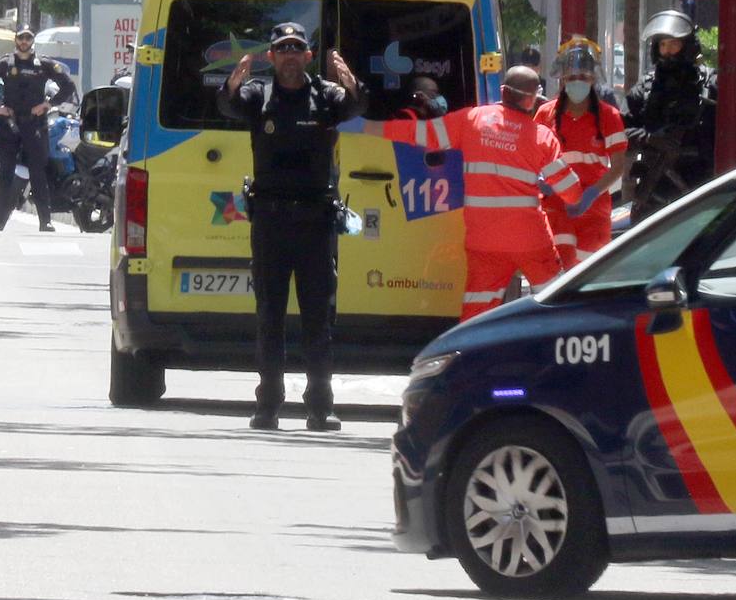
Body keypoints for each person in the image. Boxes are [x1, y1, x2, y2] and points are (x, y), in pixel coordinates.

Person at [219, 22, 364, 431]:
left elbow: (354, 107)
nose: (289, 55)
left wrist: (351, 82)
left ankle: (320, 405)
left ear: (307, 56)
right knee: (270, 314)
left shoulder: (325, 95)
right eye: (282, 48)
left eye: (296, 48)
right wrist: (232, 85)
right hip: (270, 221)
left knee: (318, 317)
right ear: (272, 56)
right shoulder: (259, 94)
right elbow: (230, 106)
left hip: (315, 223)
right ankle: (268, 403)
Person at [362, 66, 582, 321]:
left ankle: (468, 355)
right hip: (529, 239)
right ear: (532, 99)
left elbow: (419, 133)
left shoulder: (472, 119)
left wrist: (366, 127)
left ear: (503, 91)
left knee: (478, 308)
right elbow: (571, 194)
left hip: (483, 239)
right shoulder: (542, 136)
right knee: (553, 301)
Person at [536, 41, 628, 269]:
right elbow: (531, 157)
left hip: (594, 210)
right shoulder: (545, 114)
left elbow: (618, 166)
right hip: (556, 206)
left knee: (589, 274)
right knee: (557, 273)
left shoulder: (609, 116)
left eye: (583, 77)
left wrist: (591, 193)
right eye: (571, 77)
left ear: (593, 80)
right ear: (562, 79)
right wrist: (539, 181)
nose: (577, 82)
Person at [0, 26, 78, 232]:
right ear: (15, 40)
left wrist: (48, 104)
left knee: (38, 173)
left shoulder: (43, 64)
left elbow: (68, 86)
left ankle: (45, 221)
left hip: (34, 124)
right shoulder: (5, 63)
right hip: (10, 126)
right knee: (4, 172)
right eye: (21, 38)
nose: (24, 41)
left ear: (32, 41)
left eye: (28, 38)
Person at [625, 10, 712, 217]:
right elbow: (620, 131)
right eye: (663, 44)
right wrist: (650, 138)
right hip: (654, 190)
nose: (668, 51)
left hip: (702, 188)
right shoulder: (645, 87)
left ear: (687, 46)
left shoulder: (709, 84)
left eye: (674, 44)